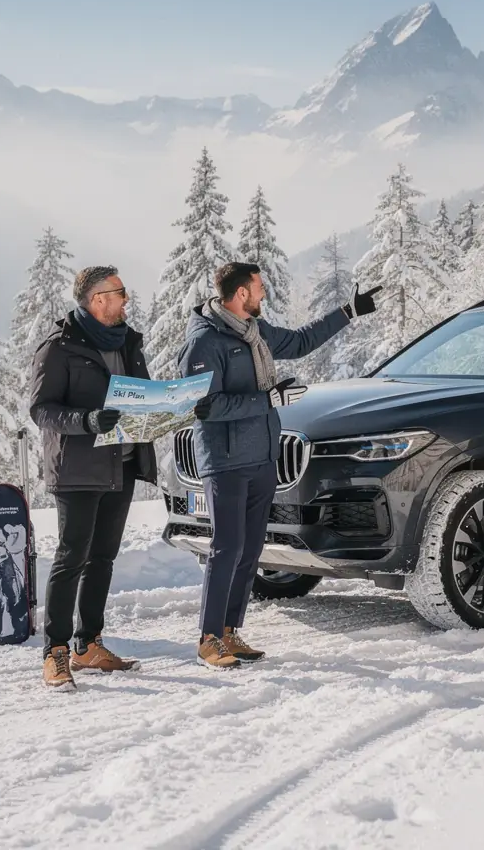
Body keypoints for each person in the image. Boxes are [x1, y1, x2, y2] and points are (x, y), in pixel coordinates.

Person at [179, 262, 380, 669]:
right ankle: (208, 638)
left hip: (262, 456)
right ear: (240, 295)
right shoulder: (204, 343)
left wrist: (348, 312)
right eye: (258, 287)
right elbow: (203, 405)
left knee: (251, 548)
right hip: (227, 460)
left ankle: (231, 633)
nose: (264, 293)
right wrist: (267, 400)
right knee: (226, 547)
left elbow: (302, 341)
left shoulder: (254, 331)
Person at [30, 266, 157, 689]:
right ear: (97, 298)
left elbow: (145, 397)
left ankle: (88, 644)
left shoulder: (127, 341)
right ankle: (56, 651)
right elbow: (42, 410)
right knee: (72, 559)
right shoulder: (60, 347)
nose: (126, 299)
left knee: (102, 558)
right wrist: (86, 420)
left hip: (120, 464)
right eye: (120, 291)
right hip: (78, 469)